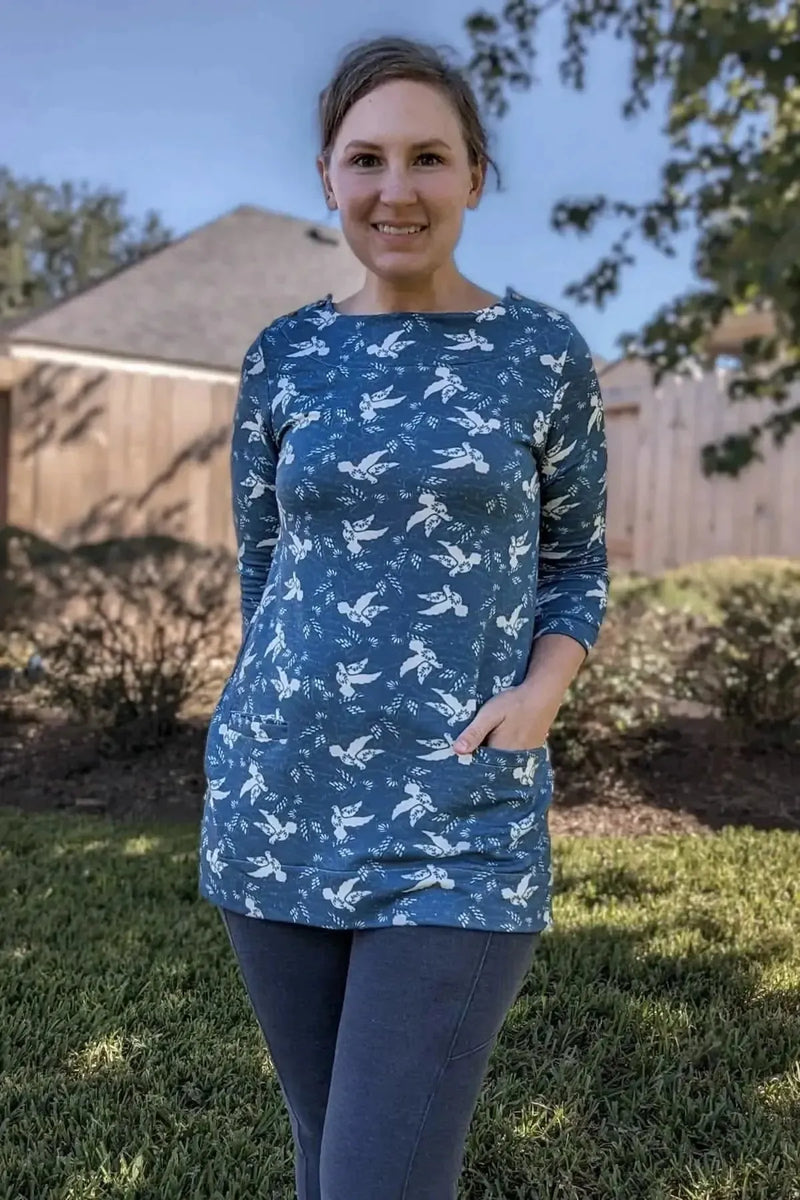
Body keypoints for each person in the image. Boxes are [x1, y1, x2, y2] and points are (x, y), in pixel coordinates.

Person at [198, 33, 608, 1200]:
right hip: (279, 799)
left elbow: (575, 562)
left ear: (474, 175)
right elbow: (263, 570)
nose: (396, 189)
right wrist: (247, 723)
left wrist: (538, 699)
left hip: (457, 810)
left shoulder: (539, 353)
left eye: (427, 157)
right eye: (365, 159)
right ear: (326, 176)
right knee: (328, 1156)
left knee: (382, 1173)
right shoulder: (284, 357)